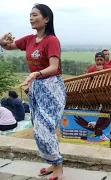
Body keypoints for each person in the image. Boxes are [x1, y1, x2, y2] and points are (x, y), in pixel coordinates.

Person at [0, 4, 65, 179]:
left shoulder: (51, 40)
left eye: (35, 15)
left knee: (45, 128)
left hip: (52, 87)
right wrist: (1, 41)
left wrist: (36, 73)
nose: (31, 17)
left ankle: (58, 165)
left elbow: (54, 67)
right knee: (40, 127)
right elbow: (8, 46)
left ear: (46, 19)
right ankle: (54, 162)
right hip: (36, 87)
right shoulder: (29, 39)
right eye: (30, 15)